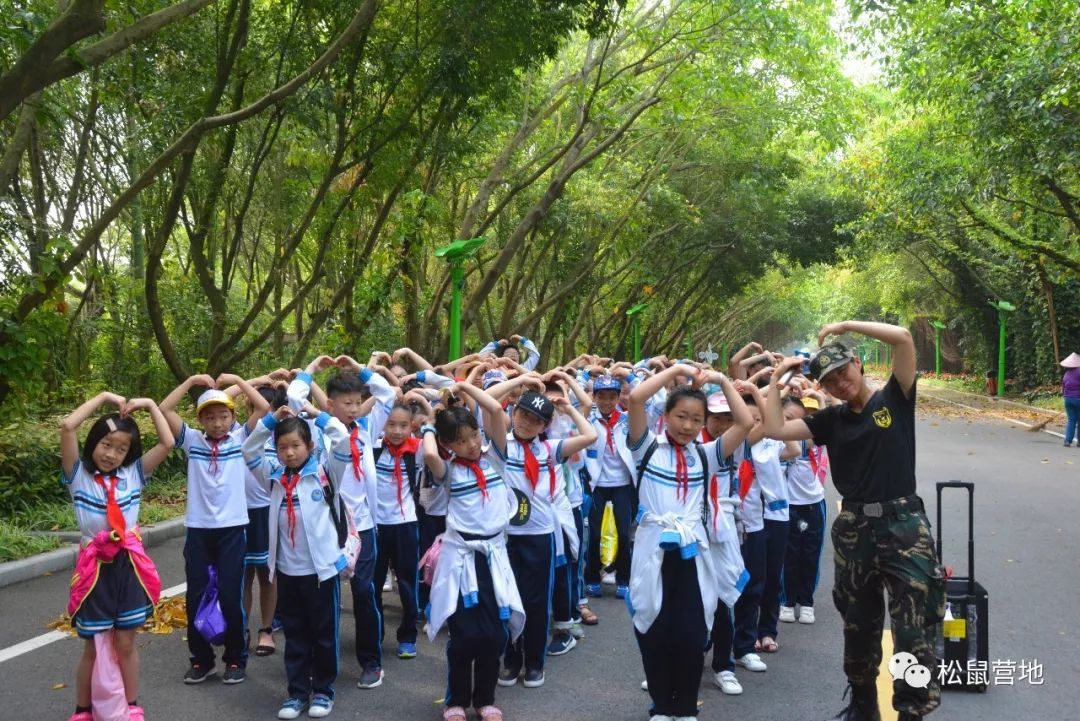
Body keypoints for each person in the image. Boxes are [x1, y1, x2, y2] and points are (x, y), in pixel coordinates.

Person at [763, 322, 946, 721]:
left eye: (843, 372)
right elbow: (776, 428)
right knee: (858, 624)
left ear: (858, 365)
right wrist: (777, 380)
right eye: (828, 381)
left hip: (905, 527)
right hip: (854, 529)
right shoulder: (831, 421)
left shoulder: (895, 399)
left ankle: (912, 711)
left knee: (914, 626)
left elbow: (902, 338)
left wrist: (845, 326)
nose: (839, 383)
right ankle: (863, 704)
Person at [626, 363, 751, 721]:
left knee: (693, 635)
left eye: (697, 420)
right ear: (665, 415)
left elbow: (744, 424)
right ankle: (661, 707)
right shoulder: (645, 448)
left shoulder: (706, 454)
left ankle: (685, 708)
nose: (688, 426)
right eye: (681, 416)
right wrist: (675, 371)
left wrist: (724, 381)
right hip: (653, 551)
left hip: (693, 554)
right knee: (653, 629)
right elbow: (635, 398)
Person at [63, 393, 175, 721]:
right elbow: (68, 426)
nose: (112, 454)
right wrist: (103, 398)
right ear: (94, 443)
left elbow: (167, 442)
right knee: (92, 645)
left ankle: (132, 704)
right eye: (106, 444)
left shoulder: (133, 475)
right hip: (94, 568)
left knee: (126, 642)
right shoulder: (77, 475)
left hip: (129, 567)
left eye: (121, 448)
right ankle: (83, 710)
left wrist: (151, 406)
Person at [422, 382, 524, 721]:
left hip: (493, 556)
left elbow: (495, 410)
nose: (471, 445)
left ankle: (485, 699)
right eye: (460, 441)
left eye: (474, 436)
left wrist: (466, 385)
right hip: (462, 559)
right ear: (448, 443)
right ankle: (456, 700)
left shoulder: (497, 458)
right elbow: (429, 455)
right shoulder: (448, 472)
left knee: (495, 632)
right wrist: (428, 424)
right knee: (464, 634)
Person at [160, 374, 271, 685]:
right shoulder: (192, 441)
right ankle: (201, 660)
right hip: (198, 529)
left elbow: (262, 406)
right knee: (195, 596)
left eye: (224, 416)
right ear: (201, 420)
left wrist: (237, 380)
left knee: (230, 595)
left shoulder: (240, 440)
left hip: (233, 530)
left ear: (233, 417)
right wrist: (190, 381)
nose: (218, 422)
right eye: (210, 417)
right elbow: (165, 409)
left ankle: (235, 658)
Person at [243, 403, 349, 719]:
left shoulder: (325, 472)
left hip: (321, 571)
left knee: (324, 634)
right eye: (282, 447)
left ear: (310, 446)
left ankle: (324, 691)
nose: (289, 453)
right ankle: (297, 693)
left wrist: (318, 415)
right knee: (295, 634)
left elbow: (342, 439)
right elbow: (248, 449)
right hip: (288, 571)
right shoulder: (273, 477)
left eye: (296, 446)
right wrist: (271, 419)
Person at [491, 381, 597, 688]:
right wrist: (516, 382)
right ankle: (510, 661)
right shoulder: (500, 445)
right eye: (522, 414)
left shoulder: (549, 449)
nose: (526, 423)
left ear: (544, 425)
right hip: (507, 536)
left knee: (537, 603)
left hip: (540, 535)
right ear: (513, 412)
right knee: (508, 600)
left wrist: (567, 410)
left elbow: (590, 436)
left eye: (536, 420)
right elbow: (488, 404)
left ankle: (535, 663)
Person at [779, 396, 827, 626]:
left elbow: (829, 421)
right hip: (789, 506)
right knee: (789, 557)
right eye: (790, 418)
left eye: (806, 419)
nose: (798, 425)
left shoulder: (816, 442)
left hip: (814, 505)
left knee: (810, 556)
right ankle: (787, 602)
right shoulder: (784, 443)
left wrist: (819, 397)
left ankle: (806, 602)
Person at [1061, 352, 1080, 447]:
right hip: (1078, 399)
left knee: (1071, 420)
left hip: (1067, 399)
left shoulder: (1066, 374)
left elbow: (1063, 389)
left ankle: (1067, 441)